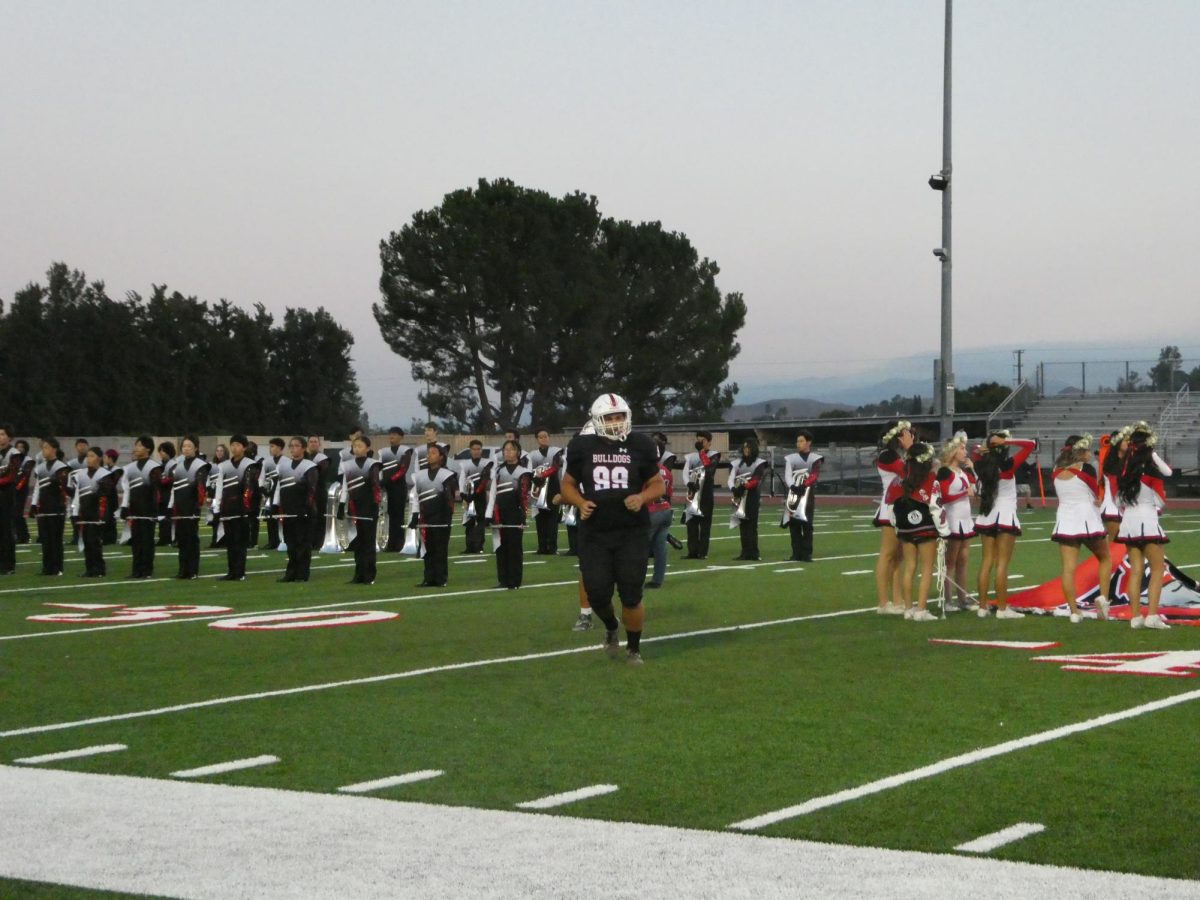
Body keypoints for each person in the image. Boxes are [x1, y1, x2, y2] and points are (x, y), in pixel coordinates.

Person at [560, 393, 663, 665]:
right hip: (595, 533)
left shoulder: (640, 445)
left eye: (620, 417)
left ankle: (634, 649)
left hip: (632, 532)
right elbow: (567, 485)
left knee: (631, 594)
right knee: (597, 593)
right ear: (597, 420)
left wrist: (641, 497)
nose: (616, 422)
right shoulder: (582, 446)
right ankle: (610, 625)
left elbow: (658, 484)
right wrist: (580, 502)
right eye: (610, 417)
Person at [1115, 423, 1174, 630]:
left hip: (1129, 523)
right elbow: (1165, 485)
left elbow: (1117, 501)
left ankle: (1135, 617)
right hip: (1147, 521)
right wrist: (1153, 453)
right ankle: (1152, 616)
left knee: (1136, 570)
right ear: (1149, 446)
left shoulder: (1125, 470)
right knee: (1158, 569)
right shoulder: (1150, 470)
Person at [974, 430, 1037, 619]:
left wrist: (989, 443)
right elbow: (1031, 444)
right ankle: (1002, 609)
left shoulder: (980, 464)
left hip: (987, 514)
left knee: (986, 562)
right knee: (1002, 564)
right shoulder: (1008, 465)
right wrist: (1008, 439)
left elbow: (976, 452)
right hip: (1004, 515)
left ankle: (982, 607)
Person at [1051, 434, 1112, 623]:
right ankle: (1103, 598)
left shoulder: (1055, 469)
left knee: (1068, 568)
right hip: (1087, 520)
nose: (1089, 453)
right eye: (1087, 449)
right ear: (1081, 451)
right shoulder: (1086, 468)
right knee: (1105, 558)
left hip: (1066, 521)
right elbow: (1096, 493)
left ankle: (1074, 612)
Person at [890, 442, 946, 621]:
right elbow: (936, 507)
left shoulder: (899, 478)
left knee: (910, 567)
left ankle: (908, 609)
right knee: (927, 568)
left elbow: (891, 504)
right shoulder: (930, 479)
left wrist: (898, 526)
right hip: (926, 527)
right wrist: (944, 531)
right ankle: (921, 610)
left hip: (905, 527)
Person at [874, 421, 914, 615]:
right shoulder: (887, 455)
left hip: (900, 507)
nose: (909, 435)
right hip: (890, 508)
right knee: (887, 554)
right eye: (905, 433)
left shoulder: (897, 455)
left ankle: (897, 600)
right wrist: (912, 449)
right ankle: (883, 603)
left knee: (898, 557)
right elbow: (908, 473)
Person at [935, 432, 977, 612]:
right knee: (950, 561)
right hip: (952, 519)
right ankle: (948, 600)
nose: (965, 451)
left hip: (965, 518)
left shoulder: (962, 471)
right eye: (961, 448)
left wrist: (972, 469)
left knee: (964, 559)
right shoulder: (945, 471)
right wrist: (964, 493)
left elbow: (974, 486)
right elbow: (943, 496)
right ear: (953, 451)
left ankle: (963, 598)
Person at [273, 436, 318, 582]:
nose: (293, 449)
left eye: (297, 446)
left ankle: (302, 574)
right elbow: (278, 487)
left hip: (304, 510)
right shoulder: (283, 466)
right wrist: (275, 505)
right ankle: (291, 572)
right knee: (290, 543)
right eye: (291, 446)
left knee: (303, 543)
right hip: (288, 509)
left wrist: (307, 508)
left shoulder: (309, 466)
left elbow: (311, 490)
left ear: (304, 448)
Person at [412, 442, 457, 587]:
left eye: (433, 453)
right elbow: (416, 497)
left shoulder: (447, 475)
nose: (429, 456)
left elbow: (450, 499)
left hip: (441, 518)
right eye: (428, 453)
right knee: (428, 548)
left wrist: (447, 517)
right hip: (426, 517)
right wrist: (414, 516)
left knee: (440, 549)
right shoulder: (419, 475)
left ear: (441, 457)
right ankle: (429, 578)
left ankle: (441, 578)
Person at [212, 435, 255, 581]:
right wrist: (217, 507)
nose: (234, 448)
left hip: (242, 510)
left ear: (244, 447)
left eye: (238, 445)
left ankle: (240, 572)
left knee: (240, 542)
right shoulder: (223, 466)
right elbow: (219, 487)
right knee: (230, 543)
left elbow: (249, 489)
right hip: (228, 509)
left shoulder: (249, 464)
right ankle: (231, 571)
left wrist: (247, 507)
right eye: (233, 445)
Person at [490, 439, 531, 589]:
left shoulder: (524, 472)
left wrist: (523, 515)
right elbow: (493, 493)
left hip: (515, 513)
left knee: (514, 548)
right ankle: (503, 579)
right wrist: (490, 514)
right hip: (500, 513)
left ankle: (515, 580)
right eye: (505, 450)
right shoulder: (498, 471)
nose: (507, 452)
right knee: (501, 547)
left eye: (511, 449)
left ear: (518, 453)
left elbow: (524, 496)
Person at [118, 436, 162, 578]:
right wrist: (124, 507)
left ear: (148, 448)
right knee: (136, 542)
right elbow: (126, 489)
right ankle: (136, 570)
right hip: (135, 510)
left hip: (148, 510)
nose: (136, 448)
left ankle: (147, 570)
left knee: (147, 542)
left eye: (139, 445)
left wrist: (156, 510)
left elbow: (157, 490)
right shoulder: (129, 468)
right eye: (136, 445)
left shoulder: (154, 467)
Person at [342, 434, 382, 584]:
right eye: (354, 446)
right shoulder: (347, 465)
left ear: (368, 448)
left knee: (368, 542)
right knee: (357, 542)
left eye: (360, 446)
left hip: (369, 507)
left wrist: (375, 506)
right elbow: (345, 487)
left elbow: (376, 487)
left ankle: (369, 574)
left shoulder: (373, 464)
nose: (357, 449)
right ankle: (358, 574)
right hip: (354, 507)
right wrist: (341, 505)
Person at [29, 437, 71, 576]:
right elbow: (37, 487)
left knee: (55, 539)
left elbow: (65, 489)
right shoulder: (40, 468)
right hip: (44, 507)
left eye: (46, 447)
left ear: (54, 449)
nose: (44, 450)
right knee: (45, 539)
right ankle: (46, 567)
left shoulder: (61, 467)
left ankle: (57, 567)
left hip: (56, 508)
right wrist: (34, 504)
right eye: (43, 448)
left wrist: (67, 507)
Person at [170, 436, 210, 579]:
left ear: (196, 448)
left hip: (192, 507)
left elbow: (201, 487)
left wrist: (197, 505)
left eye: (189, 446)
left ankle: (192, 570)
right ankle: (182, 570)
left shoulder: (200, 465)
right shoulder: (177, 465)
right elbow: (173, 487)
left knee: (191, 539)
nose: (186, 449)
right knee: (181, 539)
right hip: (179, 507)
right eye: (184, 446)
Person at [72, 447, 114, 577]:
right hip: (84, 512)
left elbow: (105, 496)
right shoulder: (80, 474)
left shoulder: (104, 474)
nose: (88, 459)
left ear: (99, 458)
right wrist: (74, 512)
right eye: (88, 456)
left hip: (97, 513)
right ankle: (89, 569)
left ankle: (99, 569)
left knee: (94, 541)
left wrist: (103, 514)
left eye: (92, 456)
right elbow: (77, 495)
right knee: (86, 541)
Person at [781, 430, 822, 562]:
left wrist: (804, 485)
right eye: (798, 441)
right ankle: (796, 553)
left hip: (808, 495)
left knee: (807, 525)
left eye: (801, 441)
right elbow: (787, 475)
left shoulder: (815, 458)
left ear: (808, 442)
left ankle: (806, 554)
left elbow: (814, 475)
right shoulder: (791, 458)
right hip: (793, 494)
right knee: (794, 525)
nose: (798, 444)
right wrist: (793, 486)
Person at [681, 431, 722, 559]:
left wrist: (702, 453)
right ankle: (692, 552)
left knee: (705, 525)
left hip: (706, 494)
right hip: (692, 493)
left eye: (702, 440)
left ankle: (703, 552)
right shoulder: (690, 457)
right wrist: (689, 484)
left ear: (709, 442)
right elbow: (685, 473)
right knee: (691, 524)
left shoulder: (714, 455)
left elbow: (709, 470)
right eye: (698, 440)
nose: (699, 443)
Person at [727, 439, 767, 561]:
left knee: (751, 526)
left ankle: (753, 553)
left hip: (752, 497)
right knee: (742, 525)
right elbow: (730, 479)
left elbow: (756, 480)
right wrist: (734, 488)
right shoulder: (737, 463)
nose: (746, 450)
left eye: (748, 448)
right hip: (739, 498)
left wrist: (744, 487)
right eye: (744, 448)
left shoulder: (759, 463)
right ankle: (744, 552)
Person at [527, 429, 564, 555]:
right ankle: (542, 547)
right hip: (538, 490)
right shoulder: (532, 455)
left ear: (549, 437)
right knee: (540, 520)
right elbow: (529, 471)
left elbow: (556, 466)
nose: (543, 439)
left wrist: (542, 475)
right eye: (540, 437)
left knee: (552, 520)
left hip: (553, 489)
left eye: (545, 436)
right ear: (537, 439)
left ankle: (552, 547)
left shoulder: (556, 451)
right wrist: (535, 478)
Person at [379, 427, 413, 551]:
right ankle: (391, 543)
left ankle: (399, 543)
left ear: (401, 437)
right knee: (389, 515)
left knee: (398, 515)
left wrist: (389, 480)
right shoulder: (384, 452)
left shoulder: (405, 451)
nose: (391, 436)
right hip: (387, 487)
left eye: (394, 434)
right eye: (390, 434)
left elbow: (403, 469)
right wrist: (380, 481)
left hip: (399, 487)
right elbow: (380, 468)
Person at [646, 447, 675, 589]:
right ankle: (658, 580)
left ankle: (634, 578)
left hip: (651, 511)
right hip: (665, 509)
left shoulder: (646, 470)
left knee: (640, 547)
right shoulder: (667, 471)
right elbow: (669, 494)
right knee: (660, 548)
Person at [1098, 426, 1131, 543]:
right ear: (1117, 444)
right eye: (1125, 440)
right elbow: (1116, 486)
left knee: (1126, 543)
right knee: (1114, 542)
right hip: (1112, 506)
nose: (1128, 443)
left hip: (1124, 505)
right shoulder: (1111, 463)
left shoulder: (1129, 460)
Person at [458, 439, 490, 553]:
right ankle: (469, 546)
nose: (476, 451)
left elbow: (485, 480)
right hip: (468, 495)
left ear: (481, 450)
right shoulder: (465, 464)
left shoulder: (486, 463)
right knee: (469, 521)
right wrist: (462, 494)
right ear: (470, 451)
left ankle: (479, 546)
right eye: (474, 449)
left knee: (480, 520)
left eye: (478, 449)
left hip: (480, 496)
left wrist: (476, 493)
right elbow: (462, 478)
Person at [0, 425, 21, 574]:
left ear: (9, 437)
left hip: (7, 495)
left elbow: (12, 477)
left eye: (2, 434)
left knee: (7, 530)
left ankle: (9, 565)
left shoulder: (14, 454)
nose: (0, 437)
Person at [306, 435, 332, 550]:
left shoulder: (322, 458)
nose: (313, 444)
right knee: (309, 518)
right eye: (311, 441)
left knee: (319, 517)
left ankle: (319, 542)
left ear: (319, 444)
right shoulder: (306, 457)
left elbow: (320, 475)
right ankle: (309, 541)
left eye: (315, 442)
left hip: (319, 492)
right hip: (307, 491)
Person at [260, 438, 285, 549]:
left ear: (279, 448)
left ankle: (282, 540)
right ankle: (272, 541)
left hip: (282, 493)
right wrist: (263, 490)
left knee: (281, 518)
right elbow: (261, 478)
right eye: (270, 446)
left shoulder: (286, 461)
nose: (271, 449)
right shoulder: (266, 462)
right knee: (270, 518)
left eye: (273, 446)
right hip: (270, 493)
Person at [155, 442, 177, 546]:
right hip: (161, 494)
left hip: (169, 493)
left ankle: (168, 538)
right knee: (161, 517)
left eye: (163, 451)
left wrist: (165, 480)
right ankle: (162, 537)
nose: (160, 453)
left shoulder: (173, 464)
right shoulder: (159, 465)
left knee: (168, 517)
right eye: (160, 451)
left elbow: (174, 479)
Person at [207, 442, 228, 547]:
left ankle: (222, 540)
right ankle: (215, 540)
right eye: (217, 451)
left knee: (222, 519)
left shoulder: (227, 464)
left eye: (221, 451)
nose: (219, 453)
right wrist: (209, 495)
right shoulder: (211, 465)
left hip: (223, 495)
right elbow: (208, 481)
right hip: (214, 496)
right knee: (213, 519)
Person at [12, 439, 33, 544]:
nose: (19, 449)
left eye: (22, 447)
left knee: (18, 513)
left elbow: (25, 476)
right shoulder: (13, 459)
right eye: (18, 447)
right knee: (12, 513)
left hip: (21, 490)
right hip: (12, 489)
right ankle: (17, 535)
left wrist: (17, 485)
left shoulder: (28, 460)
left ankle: (25, 536)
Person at [101, 448, 120, 544]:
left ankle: (111, 538)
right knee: (105, 517)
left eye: (105, 457)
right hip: (105, 496)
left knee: (110, 517)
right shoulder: (105, 469)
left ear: (110, 458)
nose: (104, 459)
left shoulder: (117, 470)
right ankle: (105, 537)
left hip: (111, 496)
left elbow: (112, 483)